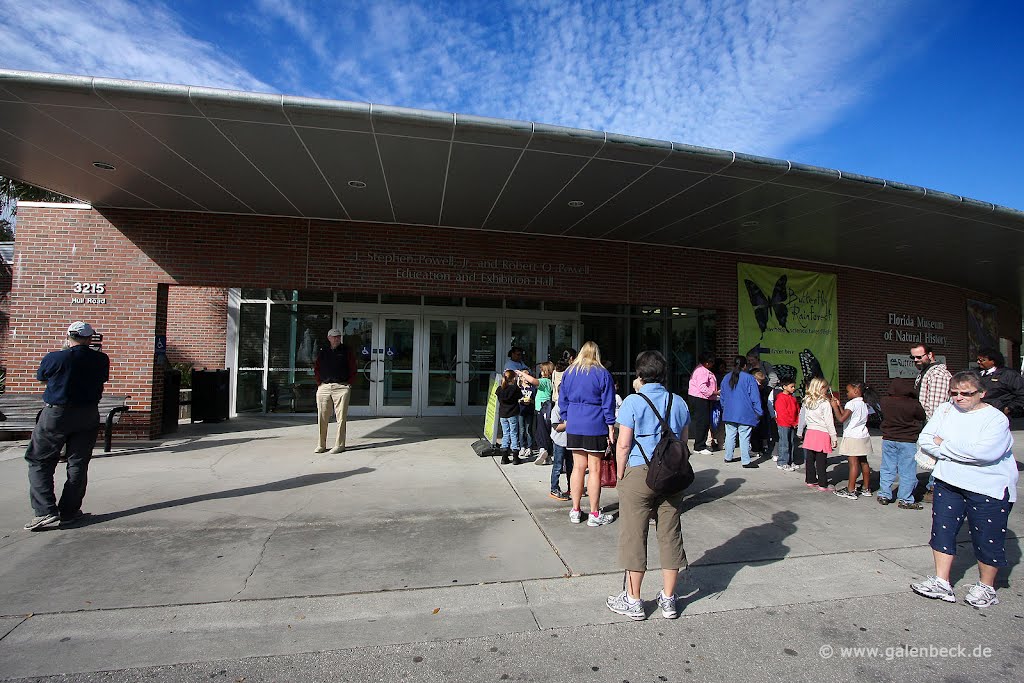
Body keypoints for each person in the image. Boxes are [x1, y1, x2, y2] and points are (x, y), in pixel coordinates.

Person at [911, 371, 1017, 608]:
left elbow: (984, 454)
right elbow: (926, 439)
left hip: (987, 487)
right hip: (948, 482)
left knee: (987, 537)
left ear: (982, 393)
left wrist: (944, 445)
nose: (959, 398)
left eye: (966, 393)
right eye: (954, 393)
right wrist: (961, 451)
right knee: (942, 531)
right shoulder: (946, 410)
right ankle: (941, 581)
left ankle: (987, 587)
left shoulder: (996, 419)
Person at [606, 351, 690, 621]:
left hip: (640, 472)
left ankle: (633, 600)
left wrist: (621, 475)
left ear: (639, 374)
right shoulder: (678, 402)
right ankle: (668, 599)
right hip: (672, 475)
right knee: (670, 534)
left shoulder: (633, 401)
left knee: (634, 535)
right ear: (664, 374)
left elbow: (623, 444)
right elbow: (683, 443)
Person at [23, 321, 110, 531]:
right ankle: (69, 512)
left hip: (57, 413)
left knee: (40, 459)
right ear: (90, 338)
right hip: (88, 413)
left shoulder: (56, 357)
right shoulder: (101, 359)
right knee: (78, 462)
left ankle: (45, 511)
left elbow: (41, 377)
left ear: (68, 336)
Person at [559, 341, 617, 526]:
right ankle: (594, 513)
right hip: (595, 424)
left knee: (577, 467)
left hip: (575, 424)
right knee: (595, 469)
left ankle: (575, 510)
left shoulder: (569, 372)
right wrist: (610, 425)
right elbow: (608, 403)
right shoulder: (602, 373)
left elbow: (563, 399)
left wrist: (567, 416)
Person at [877, 378, 926, 509]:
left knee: (887, 467)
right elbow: (922, 416)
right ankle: (905, 499)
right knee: (907, 470)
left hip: (888, 438)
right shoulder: (912, 404)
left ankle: (884, 494)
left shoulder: (885, 401)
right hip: (908, 440)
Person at [911, 343, 951, 503]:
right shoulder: (926, 372)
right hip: (924, 423)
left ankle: (934, 489)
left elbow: (936, 407)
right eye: (913, 357)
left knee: (935, 459)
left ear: (930, 355)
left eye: (919, 357)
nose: (916, 360)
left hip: (932, 425)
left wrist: (928, 430)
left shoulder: (938, 375)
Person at [830, 381, 877, 499]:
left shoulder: (852, 404)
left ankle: (851, 489)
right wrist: (840, 406)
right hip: (863, 435)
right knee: (863, 461)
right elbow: (848, 417)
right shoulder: (864, 404)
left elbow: (841, 419)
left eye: (848, 391)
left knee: (853, 463)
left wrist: (835, 407)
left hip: (853, 436)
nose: (847, 393)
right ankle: (866, 488)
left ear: (856, 391)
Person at [314, 328, 354, 454]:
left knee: (341, 418)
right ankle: (321, 445)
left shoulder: (346, 351)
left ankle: (339, 445)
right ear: (329, 338)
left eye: (338, 336)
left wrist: (348, 384)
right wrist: (319, 384)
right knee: (322, 417)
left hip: (341, 387)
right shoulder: (323, 352)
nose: (336, 339)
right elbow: (317, 368)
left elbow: (353, 367)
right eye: (334, 336)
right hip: (324, 387)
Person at [718, 355, 762, 469]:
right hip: (745, 412)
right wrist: (758, 411)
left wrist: (724, 408)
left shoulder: (726, 378)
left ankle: (728, 456)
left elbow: (722, 396)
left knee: (730, 435)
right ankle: (746, 460)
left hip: (729, 412)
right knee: (744, 436)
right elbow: (755, 397)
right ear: (745, 366)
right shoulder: (749, 378)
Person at [799, 377, 837, 491]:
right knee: (821, 460)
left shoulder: (807, 401)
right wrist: (833, 436)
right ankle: (823, 483)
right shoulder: (825, 403)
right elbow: (829, 421)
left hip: (810, 431)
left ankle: (810, 479)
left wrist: (801, 430)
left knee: (810, 459)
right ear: (821, 388)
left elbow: (804, 417)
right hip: (822, 432)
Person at [519, 362, 554, 465]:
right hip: (545, 409)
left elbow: (533, 381)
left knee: (541, 431)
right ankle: (548, 455)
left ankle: (543, 450)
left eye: (542, 370)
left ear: (546, 371)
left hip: (542, 409)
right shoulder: (549, 381)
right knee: (545, 430)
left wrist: (523, 374)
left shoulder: (544, 381)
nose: (541, 372)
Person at [976, 348, 1024, 417]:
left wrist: (1009, 408)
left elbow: (1021, 393)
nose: (978, 362)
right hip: (978, 412)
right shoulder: (974, 374)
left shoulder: (1008, 374)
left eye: (982, 360)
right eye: (978, 360)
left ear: (993, 361)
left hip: (998, 413)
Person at [687, 351, 718, 456]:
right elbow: (702, 388)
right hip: (700, 398)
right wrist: (715, 392)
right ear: (707, 362)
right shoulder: (701, 371)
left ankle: (701, 444)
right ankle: (699, 446)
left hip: (704, 398)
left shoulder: (704, 370)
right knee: (702, 422)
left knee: (704, 421)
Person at [495, 370, 523, 465]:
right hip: (513, 413)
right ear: (513, 378)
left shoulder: (500, 389)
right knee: (514, 433)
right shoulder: (515, 389)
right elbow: (520, 396)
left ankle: (504, 456)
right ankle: (515, 456)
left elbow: (499, 398)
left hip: (503, 414)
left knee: (505, 433)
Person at [547, 402, 572, 500]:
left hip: (570, 442)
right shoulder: (557, 408)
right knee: (558, 466)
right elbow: (556, 427)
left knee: (571, 466)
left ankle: (572, 488)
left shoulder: (572, 405)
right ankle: (554, 489)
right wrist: (571, 423)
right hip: (559, 442)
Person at [774, 379, 799, 471]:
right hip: (784, 424)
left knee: (791, 443)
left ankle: (790, 461)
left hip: (792, 424)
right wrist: (793, 422)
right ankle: (782, 462)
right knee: (784, 443)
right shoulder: (780, 398)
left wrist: (797, 421)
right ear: (784, 387)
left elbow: (797, 410)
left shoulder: (793, 398)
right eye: (791, 386)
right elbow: (782, 413)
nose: (793, 388)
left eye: (794, 386)